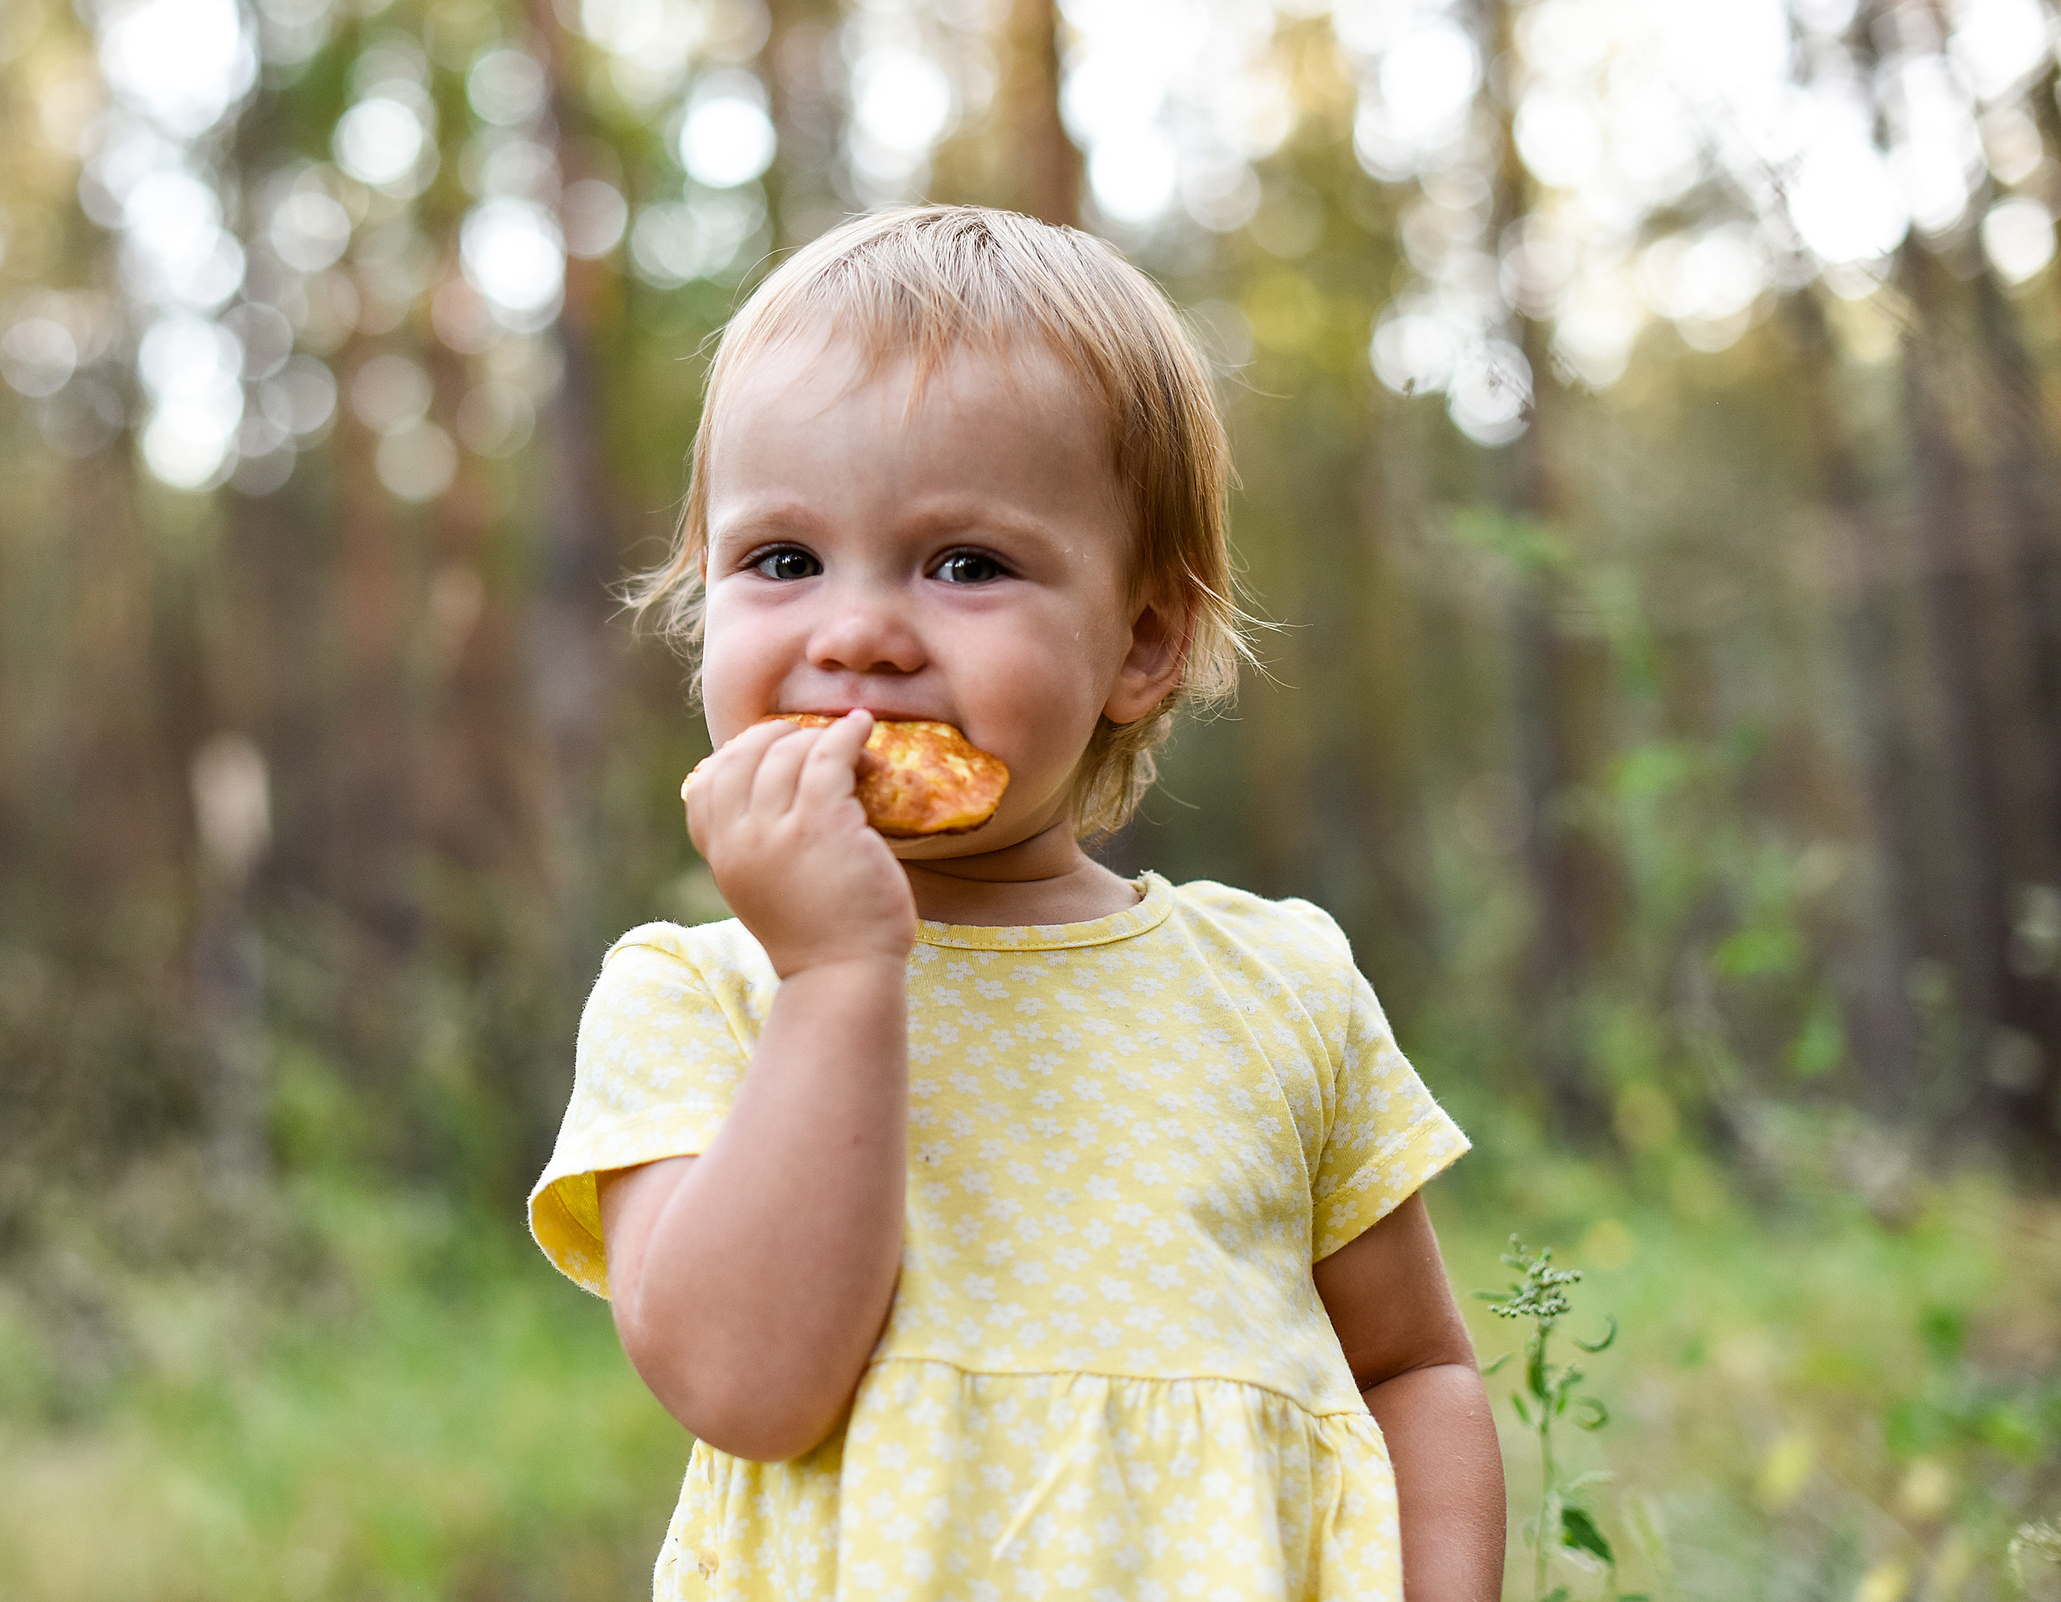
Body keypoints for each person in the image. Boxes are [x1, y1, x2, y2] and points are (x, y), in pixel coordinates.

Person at [528, 205, 1504, 1600]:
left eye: (965, 565)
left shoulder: (1276, 989)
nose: (858, 634)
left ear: (1143, 641)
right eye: (783, 560)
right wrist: (836, 976)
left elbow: (1411, 1367)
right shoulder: (699, 997)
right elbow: (747, 1388)